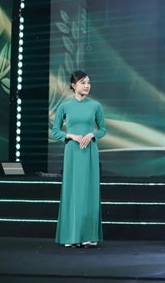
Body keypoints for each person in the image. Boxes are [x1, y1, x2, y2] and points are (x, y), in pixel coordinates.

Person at [51, 70, 107, 248]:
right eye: (83, 83)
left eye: (88, 82)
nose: (87, 86)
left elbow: (102, 129)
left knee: (89, 191)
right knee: (73, 191)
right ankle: (71, 235)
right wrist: (70, 136)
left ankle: (88, 236)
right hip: (73, 151)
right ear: (73, 85)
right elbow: (55, 131)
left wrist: (91, 134)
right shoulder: (65, 107)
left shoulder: (95, 106)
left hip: (89, 150)